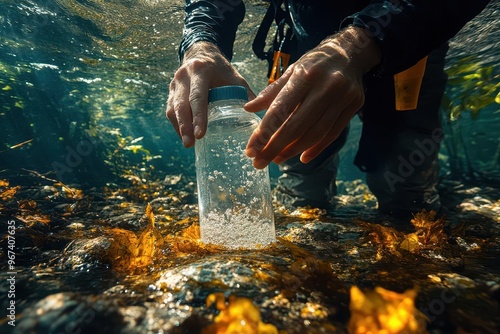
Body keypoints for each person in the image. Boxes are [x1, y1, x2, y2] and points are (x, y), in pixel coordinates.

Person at [166, 0, 491, 217]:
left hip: (408, 47)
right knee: (301, 186)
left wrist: (360, 43)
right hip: (300, 47)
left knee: (405, 183)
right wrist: (202, 43)